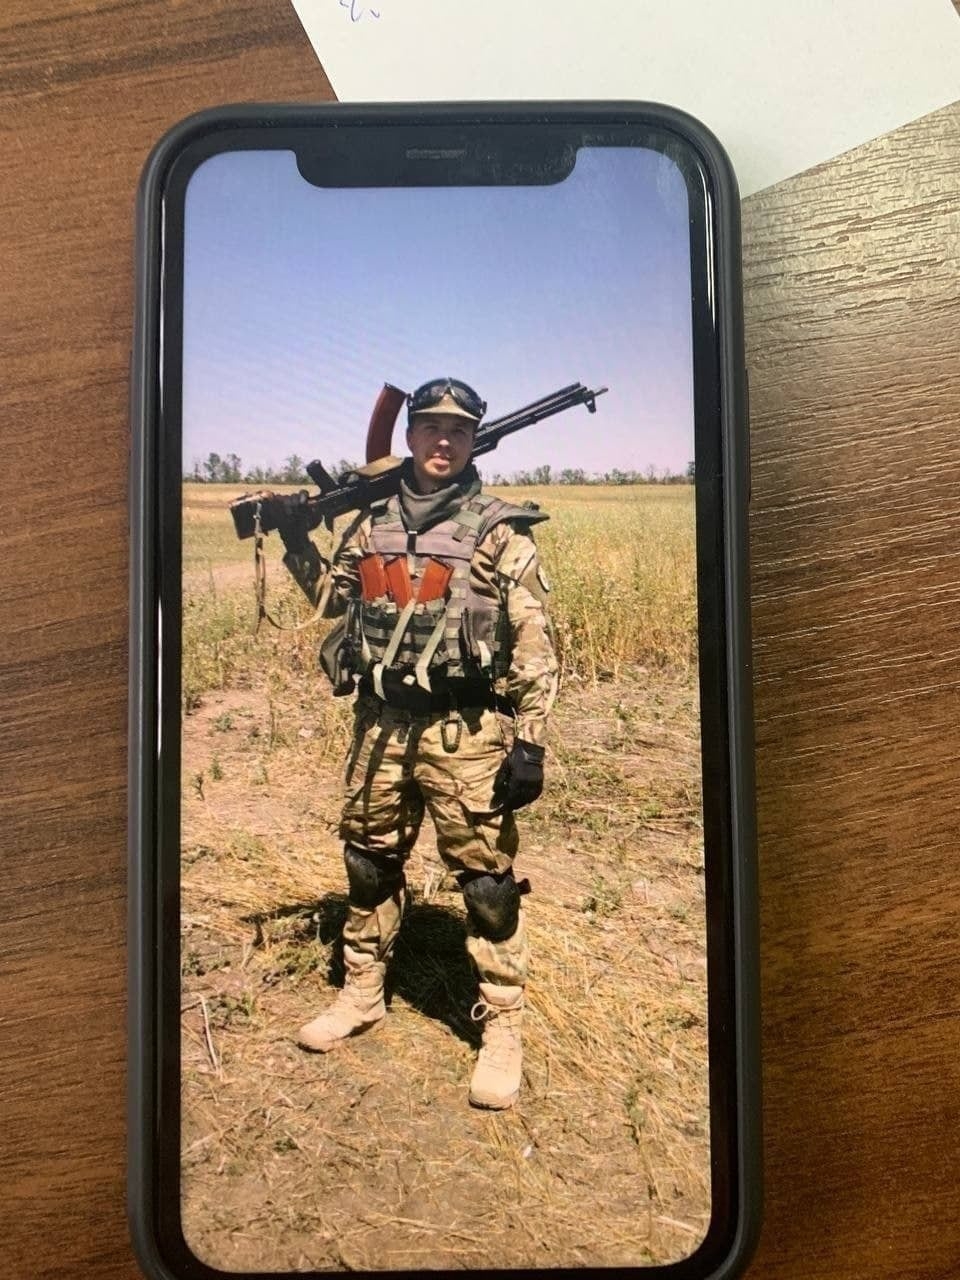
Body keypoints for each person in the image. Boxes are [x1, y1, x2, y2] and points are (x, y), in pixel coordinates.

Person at [275, 377, 558, 1110]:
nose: (443, 440)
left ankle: (502, 1026)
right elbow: (330, 602)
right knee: (368, 862)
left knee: (486, 885)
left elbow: (535, 640)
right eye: (431, 426)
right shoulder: (368, 525)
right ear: (410, 436)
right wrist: (296, 538)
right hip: (381, 725)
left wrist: (530, 743)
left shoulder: (499, 530)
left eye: (458, 430)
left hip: (465, 732)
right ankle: (363, 991)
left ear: (473, 442)